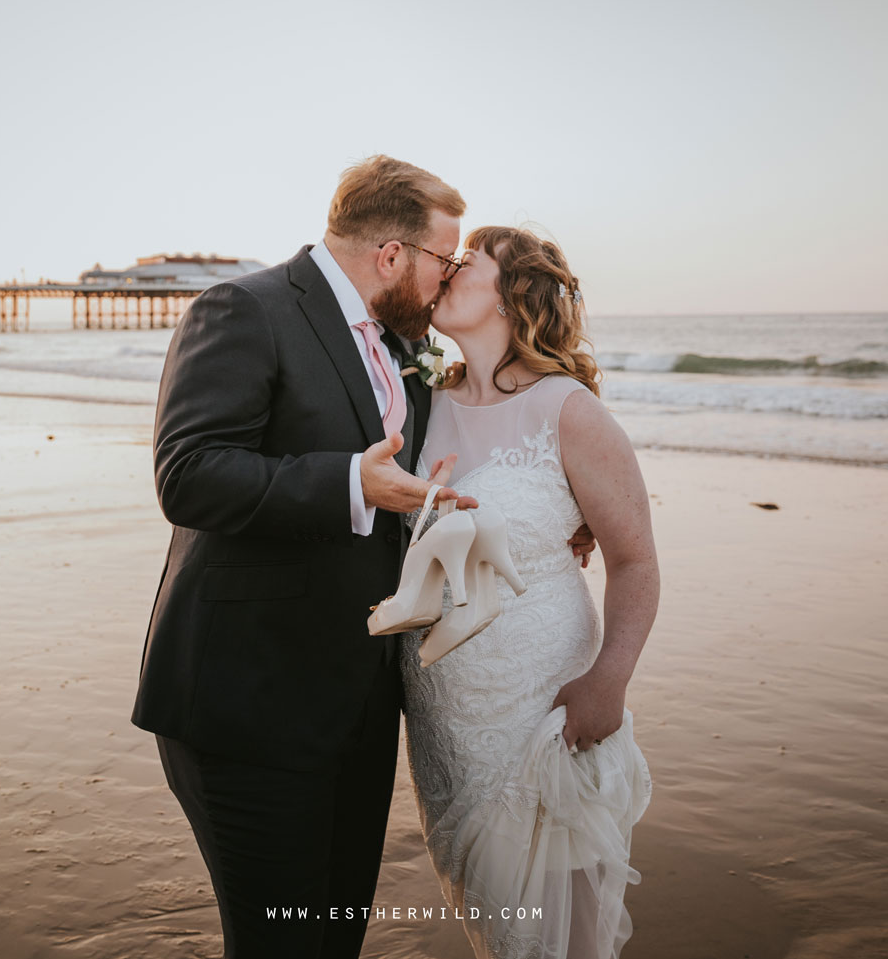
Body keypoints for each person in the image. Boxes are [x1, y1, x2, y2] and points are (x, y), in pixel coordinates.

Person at [130, 156, 596, 958]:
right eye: (442, 262)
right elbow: (189, 472)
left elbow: (476, 457)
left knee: (334, 936)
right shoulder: (244, 309)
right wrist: (351, 479)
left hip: (359, 707)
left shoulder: (407, 352)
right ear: (390, 256)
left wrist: (565, 512)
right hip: (250, 702)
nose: (446, 279)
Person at [399, 224, 659, 959]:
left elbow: (635, 559)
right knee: (498, 927)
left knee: (559, 936)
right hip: (445, 723)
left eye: (466, 261)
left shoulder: (567, 410)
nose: (447, 270)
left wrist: (609, 677)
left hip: (544, 710)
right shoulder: (420, 402)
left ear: (515, 293)